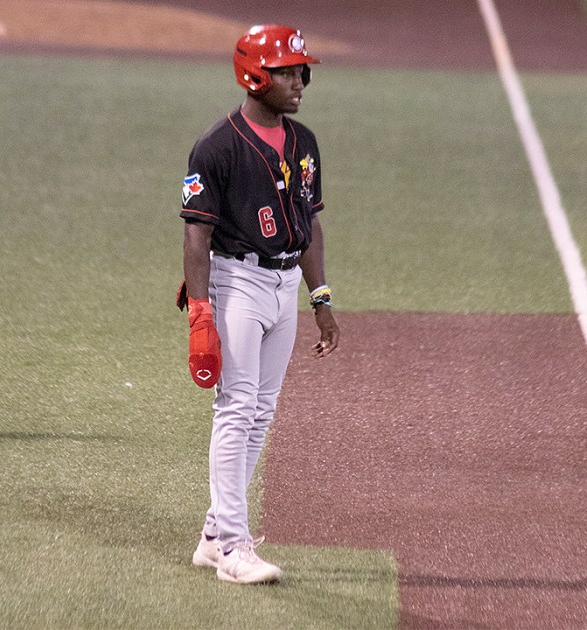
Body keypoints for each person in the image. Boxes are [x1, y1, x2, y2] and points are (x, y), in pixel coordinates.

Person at [177, 24, 339, 584]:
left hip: (285, 285)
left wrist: (320, 298)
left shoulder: (305, 143)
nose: (299, 81)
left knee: (261, 412)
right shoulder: (215, 147)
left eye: (301, 71)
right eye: (288, 71)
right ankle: (233, 548)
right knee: (237, 407)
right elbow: (196, 235)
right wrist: (201, 314)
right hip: (236, 283)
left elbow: (310, 224)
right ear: (254, 76)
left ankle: (213, 535)